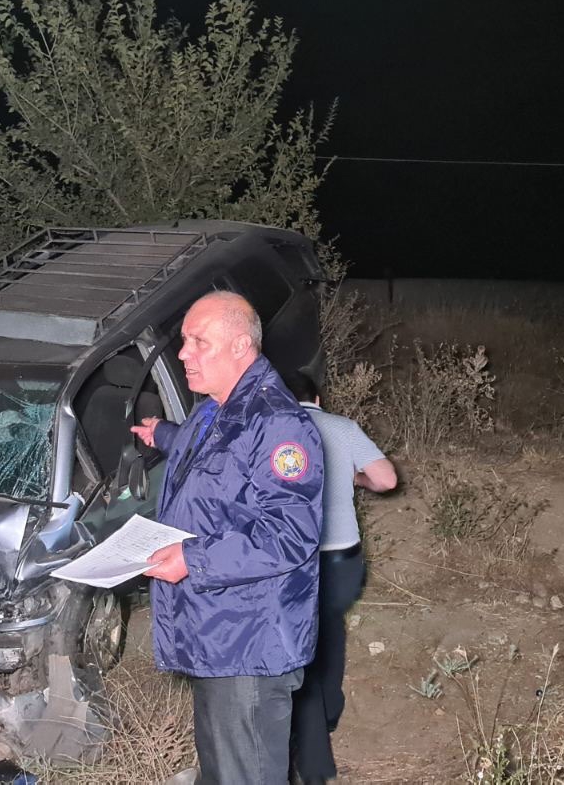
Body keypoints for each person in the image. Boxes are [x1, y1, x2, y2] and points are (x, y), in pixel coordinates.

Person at [130, 291, 324, 785]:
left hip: (249, 641)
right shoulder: (214, 409)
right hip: (216, 632)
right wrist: (163, 434)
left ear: (240, 346)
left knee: (246, 774)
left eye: (199, 341)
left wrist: (192, 559)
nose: (183, 353)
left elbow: (289, 533)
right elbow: (208, 452)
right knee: (221, 771)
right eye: (185, 341)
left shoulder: (279, 424)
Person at [281, 369, 397, 785]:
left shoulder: (274, 431)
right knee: (329, 627)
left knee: (302, 649)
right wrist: (356, 477)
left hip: (297, 561)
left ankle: (313, 762)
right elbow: (386, 479)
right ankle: (330, 710)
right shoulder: (341, 427)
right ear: (318, 399)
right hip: (344, 561)